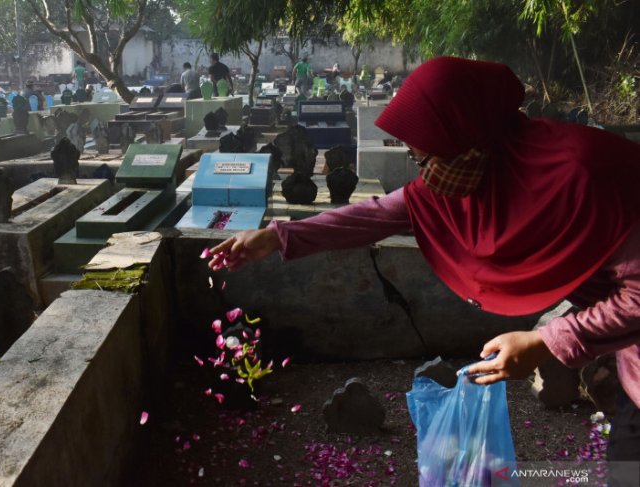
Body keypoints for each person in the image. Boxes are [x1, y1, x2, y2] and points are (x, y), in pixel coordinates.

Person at [208, 57, 640, 482]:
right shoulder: (479, 167)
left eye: (425, 159)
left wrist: (546, 340)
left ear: (469, 139)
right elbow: (378, 214)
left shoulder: (587, 176)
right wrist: (277, 236)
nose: (424, 175)